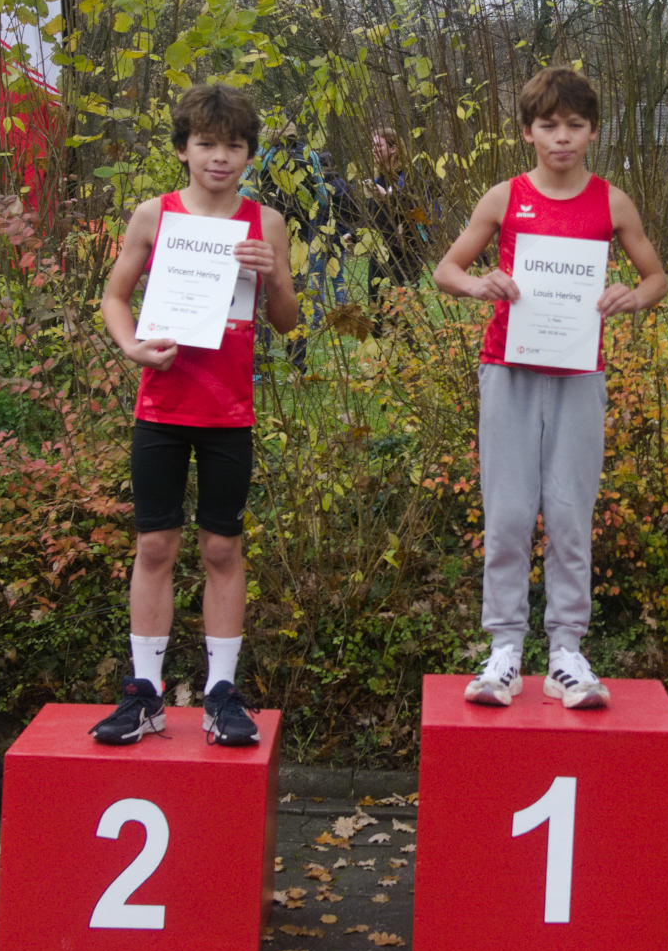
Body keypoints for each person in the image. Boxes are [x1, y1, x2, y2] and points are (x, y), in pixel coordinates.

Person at [431, 66, 667, 709]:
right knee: (507, 514)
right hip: (508, 367)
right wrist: (478, 284)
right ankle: (505, 650)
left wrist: (632, 295)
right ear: (528, 131)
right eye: (548, 126)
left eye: (574, 126)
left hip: (578, 371)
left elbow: (656, 279)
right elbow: (446, 269)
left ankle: (567, 652)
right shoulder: (504, 196)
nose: (561, 138)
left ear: (591, 131)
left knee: (568, 514)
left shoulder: (612, 202)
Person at [92, 83, 300, 746]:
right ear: (183, 149)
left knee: (221, 545)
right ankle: (146, 692)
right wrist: (130, 347)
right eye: (207, 144)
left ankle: (220, 692)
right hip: (162, 404)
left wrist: (276, 277)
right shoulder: (155, 215)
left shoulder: (265, 223)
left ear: (248, 154)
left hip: (228, 412)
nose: (220, 156)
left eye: (234, 145)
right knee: (155, 544)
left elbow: (287, 322)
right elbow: (115, 297)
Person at [247, 123, 344, 372]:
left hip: (265, 234)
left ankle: (260, 365)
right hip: (299, 238)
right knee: (297, 299)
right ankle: (297, 364)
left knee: (259, 299)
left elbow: (247, 189)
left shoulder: (264, 156)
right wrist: (306, 216)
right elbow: (322, 196)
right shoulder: (310, 155)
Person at [367, 126, 433, 309]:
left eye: (378, 147)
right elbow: (375, 217)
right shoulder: (379, 179)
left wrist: (387, 197)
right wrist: (354, 235)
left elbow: (415, 210)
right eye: (372, 147)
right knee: (376, 309)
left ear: (394, 148)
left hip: (406, 252)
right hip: (381, 250)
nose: (374, 151)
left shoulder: (410, 175)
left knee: (403, 312)